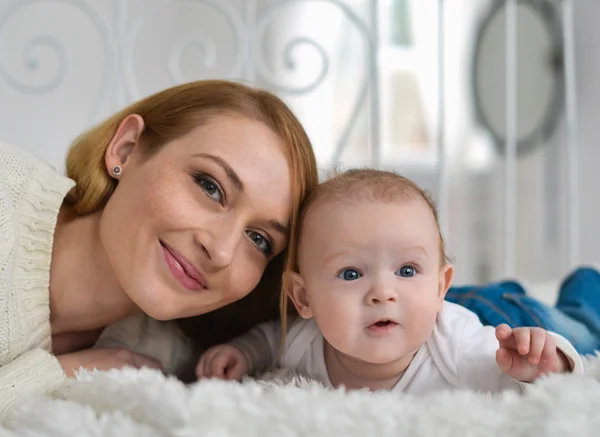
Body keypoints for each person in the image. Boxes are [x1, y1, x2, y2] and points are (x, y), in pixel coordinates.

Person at [0, 80, 319, 420]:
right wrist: (58, 376)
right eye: (210, 187)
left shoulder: (159, 360)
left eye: (259, 240)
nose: (222, 252)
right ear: (126, 149)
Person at [196, 169, 583, 393]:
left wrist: (546, 363)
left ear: (438, 287)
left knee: (577, 326)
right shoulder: (305, 340)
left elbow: (522, 375)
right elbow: (269, 338)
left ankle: (586, 286)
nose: (382, 292)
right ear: (303, 297)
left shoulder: (461, 348)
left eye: (407, 270)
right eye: (351, 274)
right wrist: (244, 354)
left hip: (498, 316)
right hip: (446, 302)